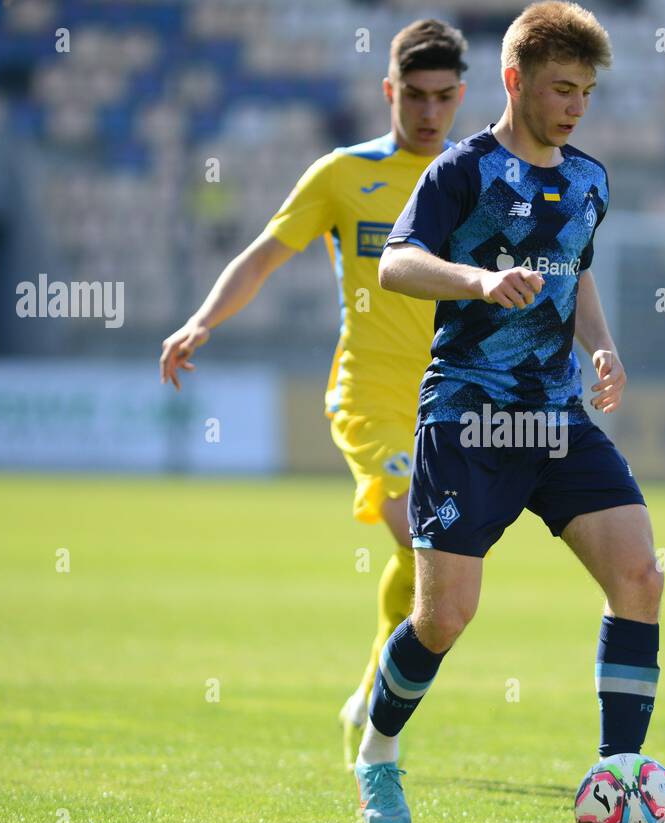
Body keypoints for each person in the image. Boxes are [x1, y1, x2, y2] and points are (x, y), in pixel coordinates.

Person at [361, 0, 665, 823]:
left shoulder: (591, 180)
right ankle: (377, 753)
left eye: (585, 90)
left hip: (553, 417)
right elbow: (397, 262)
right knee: (446, 616)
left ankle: (622, 784)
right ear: (515, 81)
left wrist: (604, 347)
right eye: (560, 87)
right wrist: (474, 282)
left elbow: (573, 273)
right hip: (467, 415)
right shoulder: (461, 172)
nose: (576, 104)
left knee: (641, 577)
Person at [158, 20, 469, 767]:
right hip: (368, 396)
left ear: (462, 95)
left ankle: (371, 688)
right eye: (416, 96)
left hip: (451, 402)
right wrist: (202, 319)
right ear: (389, 92)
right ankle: (379, 722)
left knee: (433, 559)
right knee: (418, 535)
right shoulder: (342, 174)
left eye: (445, 97)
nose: (430, 112)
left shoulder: (476, 179)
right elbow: (264, 255)